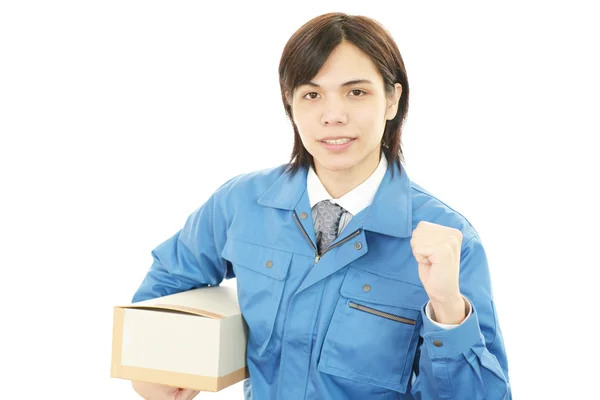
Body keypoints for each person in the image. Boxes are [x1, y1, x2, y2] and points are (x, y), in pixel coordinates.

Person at [130, 12, 512, 400]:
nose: (333, 116)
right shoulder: (240, 204)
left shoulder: (449, 241)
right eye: (312, 95)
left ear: (392, 100)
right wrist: (156, 364)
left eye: (356, 92)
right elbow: (168, 281)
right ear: (289, 103)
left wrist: (448, 310)